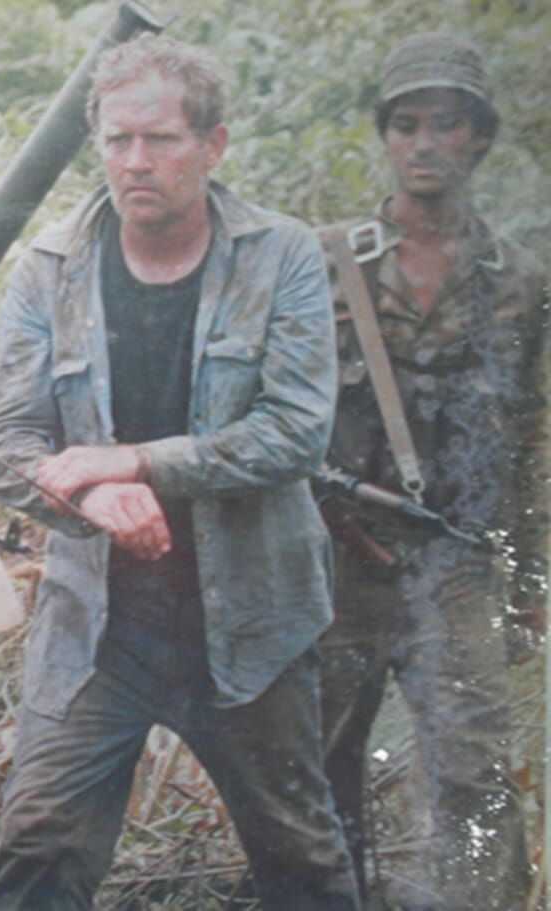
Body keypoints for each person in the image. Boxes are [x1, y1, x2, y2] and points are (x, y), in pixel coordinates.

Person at [0, 33, 360, 910]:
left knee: (303, 861)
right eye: (117, 140)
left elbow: (296, 432)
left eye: (161, 139)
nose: (135, 161)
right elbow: (3, 441)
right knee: (38, 849)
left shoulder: (281, 256)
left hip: (252, 622)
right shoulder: (51, 268)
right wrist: (95, 492)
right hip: (100, 626)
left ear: (213, 144)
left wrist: (139, 458)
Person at [316, 33, 547, 911]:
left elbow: (529, 441)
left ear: (478, 137)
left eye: (444, 125)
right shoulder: (326, 259)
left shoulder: (519, 279)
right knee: (321, 769)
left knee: (472, 769)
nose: (422, 144)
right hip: (341, 559)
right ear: (385, 137)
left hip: (456, 564)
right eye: (405, 125)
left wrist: (527, 577)